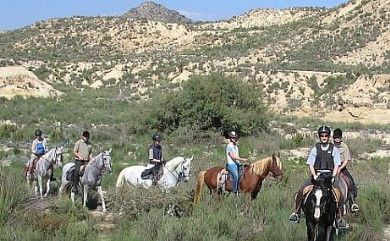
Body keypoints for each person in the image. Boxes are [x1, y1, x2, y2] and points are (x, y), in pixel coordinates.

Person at [289, 126, 341, 223]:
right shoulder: (315, 149)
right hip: (317, 175)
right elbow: (311, 164)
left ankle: (339, 217)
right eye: (322, 135)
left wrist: (333, 177)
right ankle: (296, 212)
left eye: (326, 135)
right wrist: (314, 175)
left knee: (338, 193)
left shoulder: (334, 149)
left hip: (329, 175)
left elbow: (337, 164)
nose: (324, 137)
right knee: (302, 190)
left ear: (329, 136)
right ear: (319, 136)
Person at [333, 128, 359, 212]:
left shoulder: (344, 146)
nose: (337, 139)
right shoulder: (330, 146)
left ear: (341, 138)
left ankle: (352, 203)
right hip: (331, 167)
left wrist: (340, 168)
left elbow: (346, 160)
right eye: (335, 137)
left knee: (350, 181)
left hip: (342, 167)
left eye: (338, 137)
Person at [226, 131, 248, 196]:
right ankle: (235, 191)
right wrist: (242, 159)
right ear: (230, 138)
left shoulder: (236, 146)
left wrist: (241, 161)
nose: (234, 139)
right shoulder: (229, 146)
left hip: (237, 164)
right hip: (231, 164)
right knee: (236, 176)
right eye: (233, 138)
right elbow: (232, 157)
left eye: (235, 138)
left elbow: (237, 156)